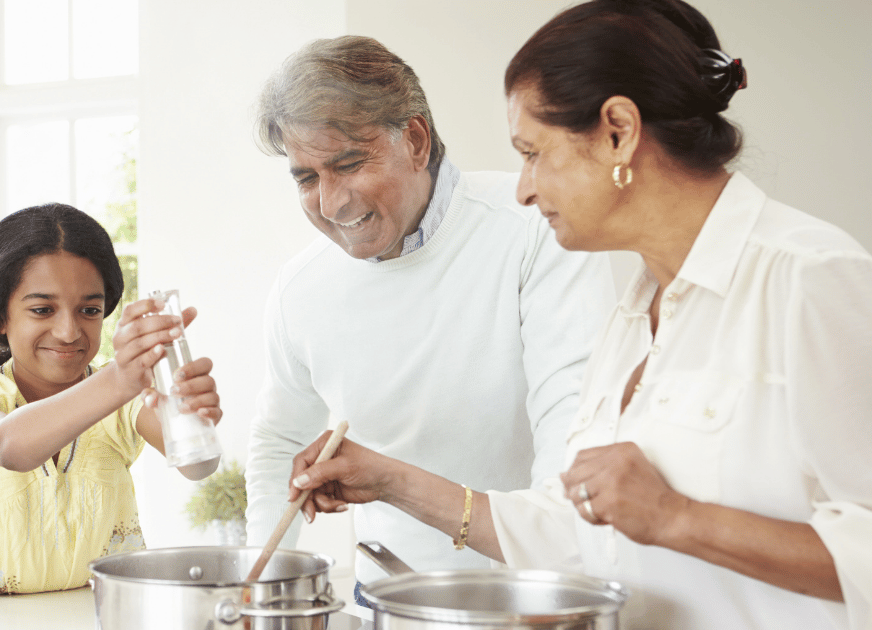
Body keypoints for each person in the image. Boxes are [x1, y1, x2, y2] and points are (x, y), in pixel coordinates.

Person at [287, 1, 872, 629]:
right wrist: (388, 480)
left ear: (618, 130)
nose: (523, 188)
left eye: (534, 152)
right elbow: (577, 535)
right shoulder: (633, 314)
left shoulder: (808, 277)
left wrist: (677, 517)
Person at [244, 34, 617, 597]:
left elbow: (569, 482)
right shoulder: (302, 287)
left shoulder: (534, 235)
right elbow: (278, 442)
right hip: (390, 603)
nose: (330, 203)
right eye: (306, 177)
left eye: (348, 163)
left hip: (530, 600)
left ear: (415, 139)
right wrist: (259, 587)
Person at [0, 203, 222, 595]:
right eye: (43, 309)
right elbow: (9, 445)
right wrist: (120, 380)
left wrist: (191, 415)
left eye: (89, 310)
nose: (68, 331)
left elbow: (200, 466)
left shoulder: (125, 398)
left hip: (93, 615)